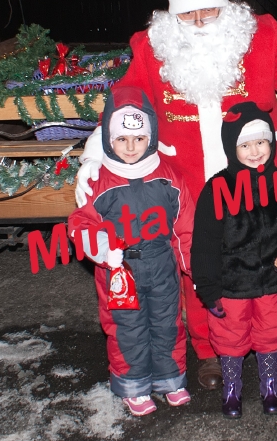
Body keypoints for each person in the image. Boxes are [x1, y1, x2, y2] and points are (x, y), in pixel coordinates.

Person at [75, 0, 277, 390]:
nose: (200, 21)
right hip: (189, 181)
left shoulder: (260, 34)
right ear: (173, 13)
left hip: (258, 177)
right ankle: (209, 350)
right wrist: (96, 154)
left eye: (209, 11)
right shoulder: (152, 46)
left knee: (271, 256)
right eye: (188, 14)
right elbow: (127, 100)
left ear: (225, 4)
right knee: (199, 264)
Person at [68, 86, 195, 416]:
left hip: (162, 264)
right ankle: (134, 384)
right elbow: (80, 224)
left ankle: (170, 378)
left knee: (167, 324)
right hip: (120, 271)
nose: (130, 147)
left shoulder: (169, 177)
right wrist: (103, 250)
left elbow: (185, 225)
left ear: (150, 138)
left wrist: (194, 266)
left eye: (138, 138)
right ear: (108, 140)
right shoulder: (101, 181)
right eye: (121, 139)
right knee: (128, 327)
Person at [190, 101, 277, 418]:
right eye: (245, 145)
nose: (255, 151)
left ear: (271, 143)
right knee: (229, 335)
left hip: (274, 282)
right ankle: (232, 388)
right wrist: (209, 288)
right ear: (231, 148)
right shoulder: (217, 188)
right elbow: (204, 243)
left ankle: (270, 384)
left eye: (261, 142)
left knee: (271, 332)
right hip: (232, 284)